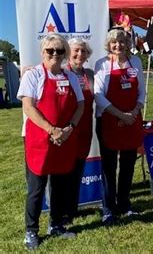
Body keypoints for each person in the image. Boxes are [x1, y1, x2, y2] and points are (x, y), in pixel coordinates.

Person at [17, 33, 84, 250]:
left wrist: (69, 129)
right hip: (40, 141)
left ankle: (56, 224)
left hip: (64, 139)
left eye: (60, 51)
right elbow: (28, 107)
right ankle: (31, 231)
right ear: (43, 52)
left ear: (65, 53)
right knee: (36, 188)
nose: (55, 54)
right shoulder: (33, 75)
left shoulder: (71, 77)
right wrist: (51, 130)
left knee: (60, 186)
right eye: (50, 50)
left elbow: (80, 106)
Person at [94, 28, 145, 225]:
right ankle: (108, 208)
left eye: (122, 41)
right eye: (114, 42)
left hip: (132, 120)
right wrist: (119, 114)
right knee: (108, 167)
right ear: (109, 44)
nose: (118, 45)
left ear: (128, 44)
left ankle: (125, 203)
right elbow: (98, 95)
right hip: (109, 120)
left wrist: (132, 113)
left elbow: (141, 92)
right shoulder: (102, 64)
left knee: (128, 165)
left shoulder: (136, 63)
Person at [64, 38, 94, 224]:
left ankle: (72, 209)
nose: (79, 55)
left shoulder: (89, 74)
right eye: (76, 51)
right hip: (68, 129)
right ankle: (61, 213)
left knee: (78, 170)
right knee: (64, 171)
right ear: (68, 52)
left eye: (83, 51)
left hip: (85, 128)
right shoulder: (62, 72)